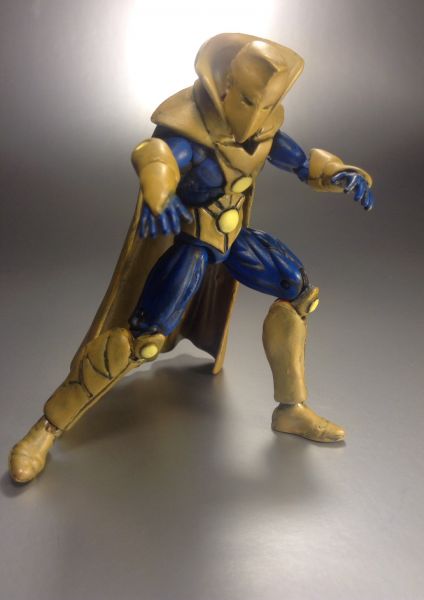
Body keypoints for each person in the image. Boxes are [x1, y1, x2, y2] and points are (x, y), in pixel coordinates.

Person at [9, 33, 374, 484]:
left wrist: (340, 173)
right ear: (225, 87)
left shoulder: (264, 132)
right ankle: (45, 430)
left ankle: (291, 408)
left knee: (300, 292)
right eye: (249, 100)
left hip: (236, 241)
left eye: (267, 104)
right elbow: (155, 155)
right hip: (194, 246)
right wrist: (159, 190)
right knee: (141, 340)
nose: (257, 115)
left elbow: (302, 163)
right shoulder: (192, 133)